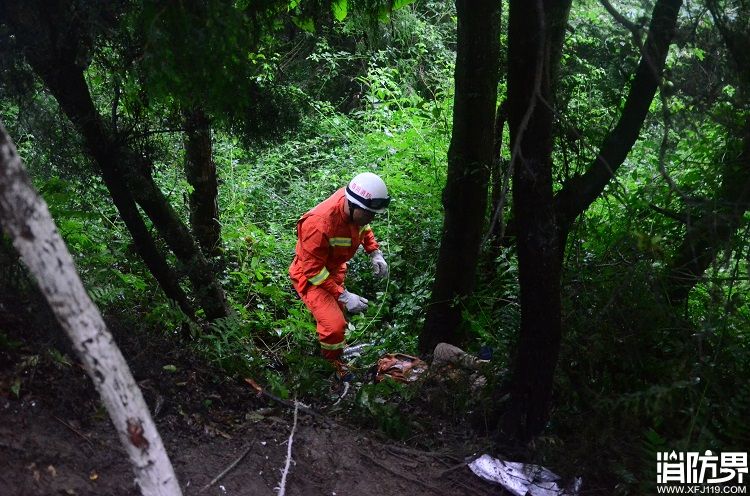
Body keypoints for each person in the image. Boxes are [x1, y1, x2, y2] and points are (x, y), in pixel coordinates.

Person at [289, 172, 390, 380]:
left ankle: (339, 350)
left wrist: (374, 252)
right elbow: (313, 271)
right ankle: (332, 365)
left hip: (334, 270)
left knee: (339, 314)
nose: (371, 219)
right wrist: (344, 294)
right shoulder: (318, 224)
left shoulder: (357, 210)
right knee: (334, 326)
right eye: (369, 213)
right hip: (312, 277)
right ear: (353, 205)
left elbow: (364, 227)